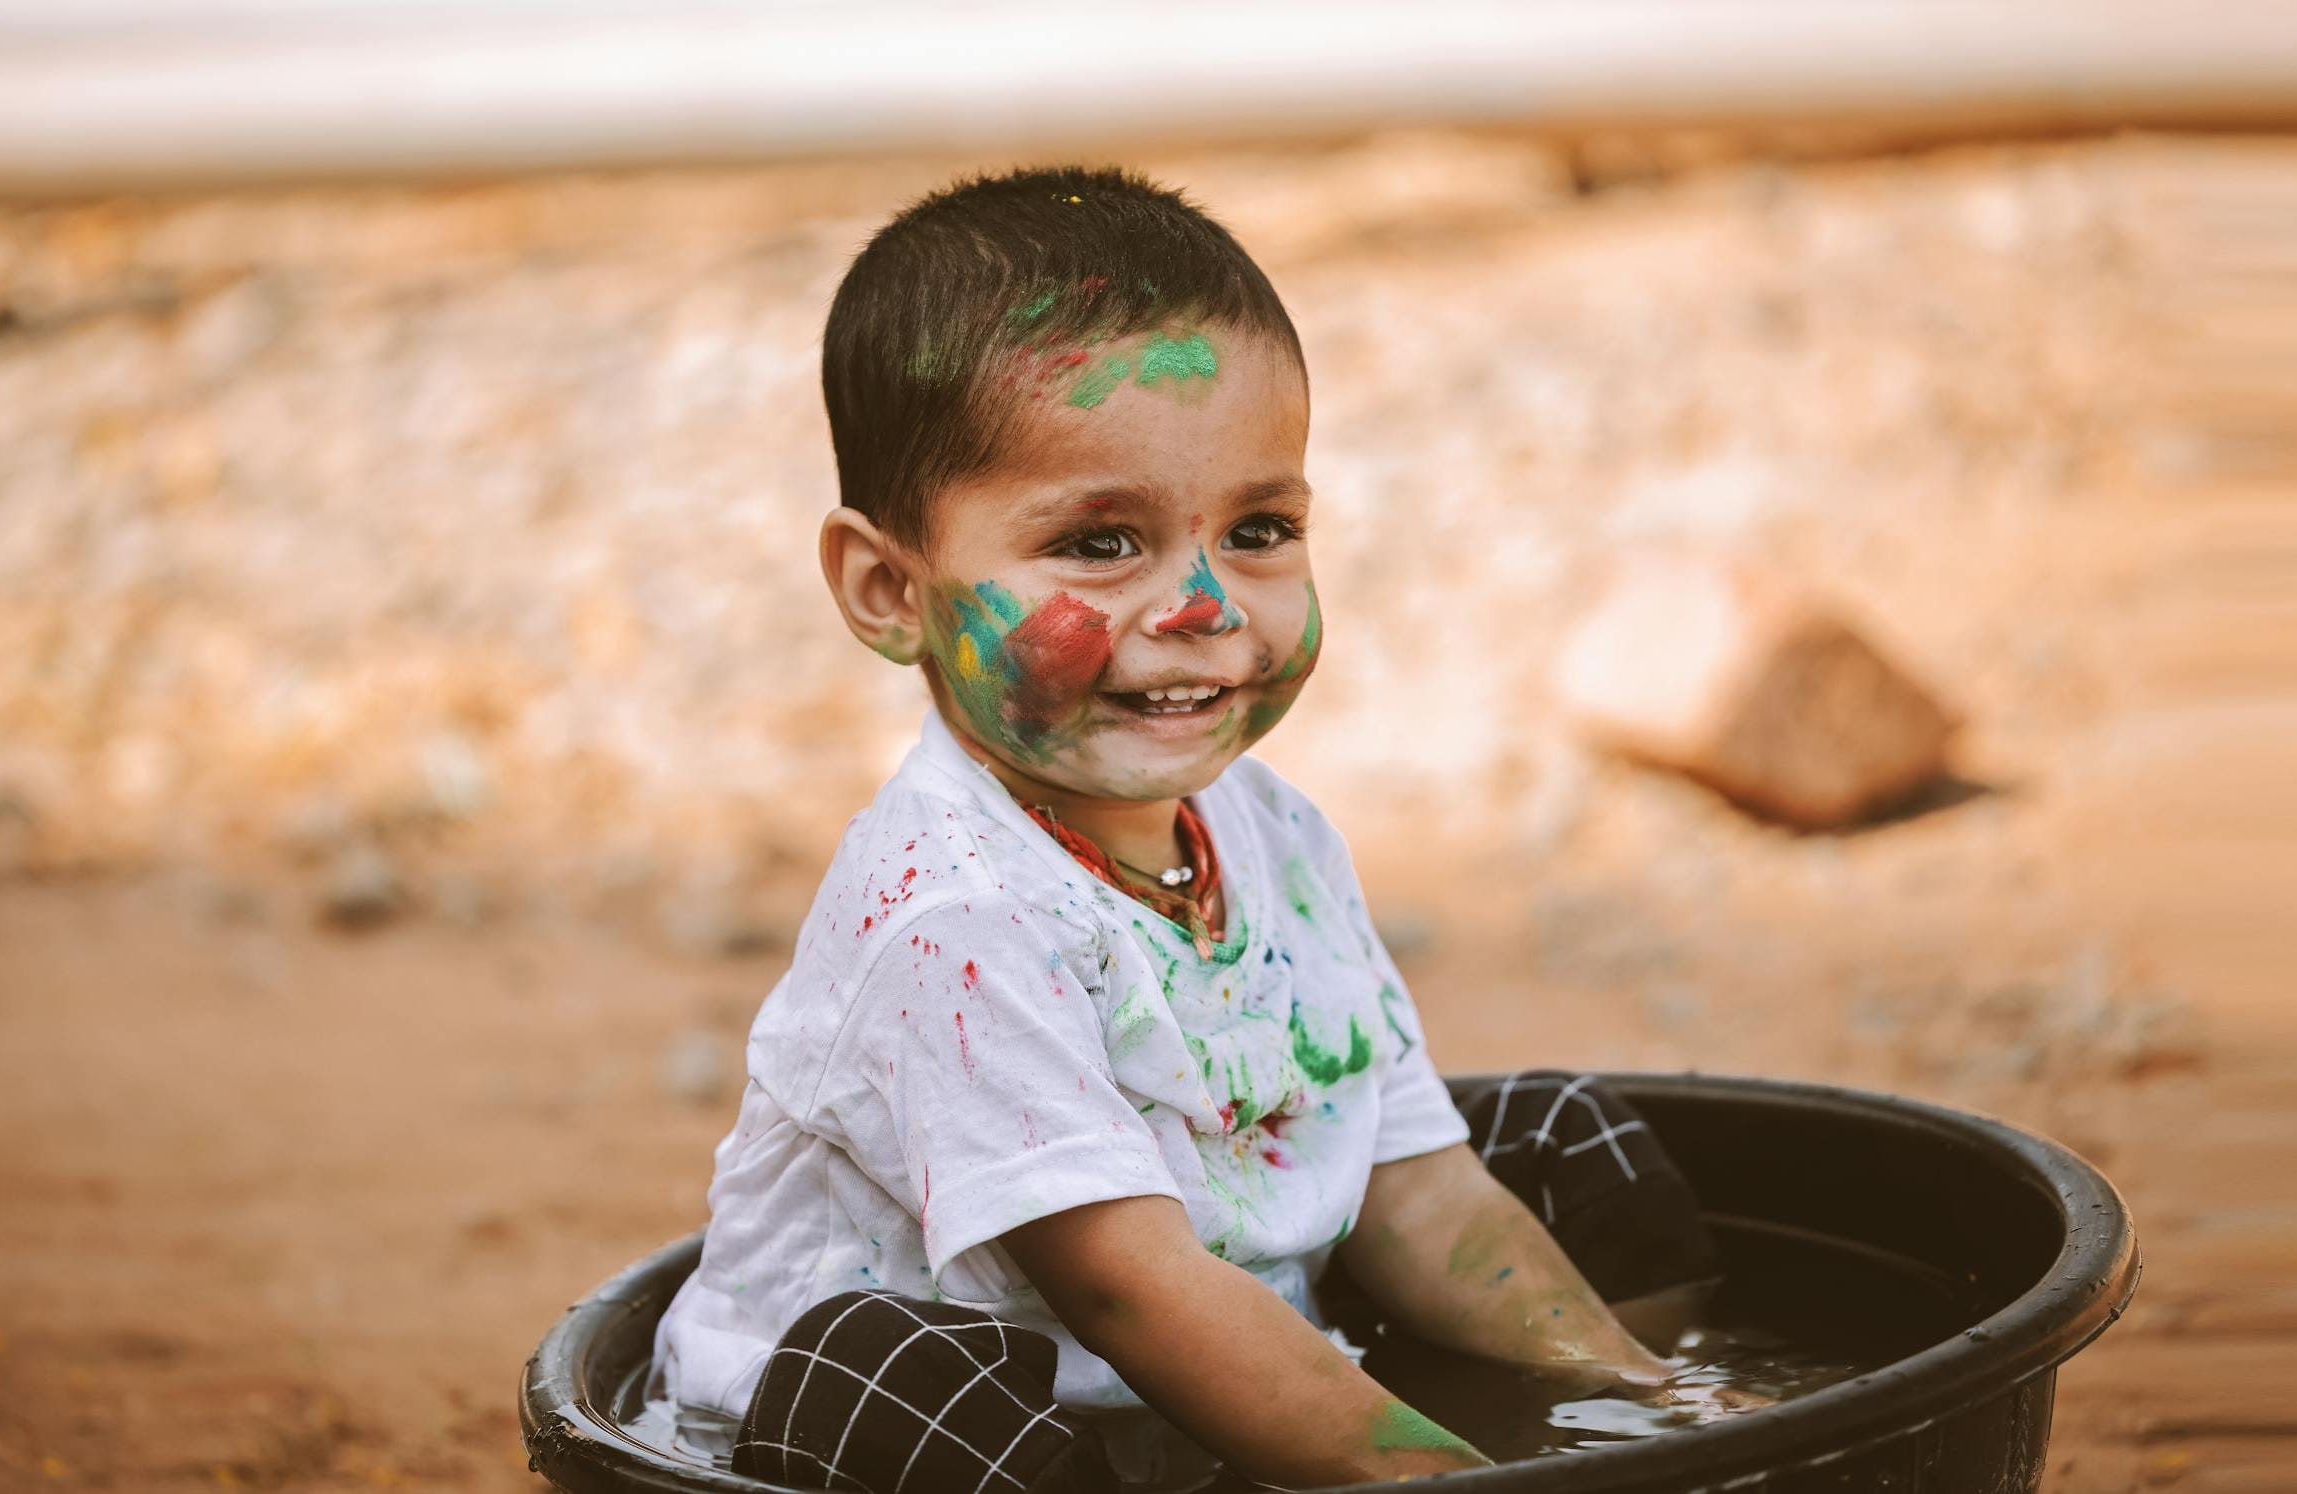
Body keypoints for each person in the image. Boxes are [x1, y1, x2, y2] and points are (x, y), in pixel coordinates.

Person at [646, 164, 1729, 1492]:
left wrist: (1653, 1418)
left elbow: (1418, 1194)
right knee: (919, 1390)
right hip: (877, 1435)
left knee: (1568, 1142)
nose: (1208, 604)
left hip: (1202, 1412)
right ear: (889, 589)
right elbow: (1133, 1293)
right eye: (1103, 543)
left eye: (1261, 528)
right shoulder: (951, 915)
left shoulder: (1274, 835)